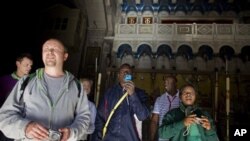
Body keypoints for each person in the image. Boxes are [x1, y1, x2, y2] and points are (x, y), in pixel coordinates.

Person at [0, 38, 90, 141]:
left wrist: (72, 132)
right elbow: (4, 116)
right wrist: (25, 128)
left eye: (55, 49)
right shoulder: (26, 82)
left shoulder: (76, 86)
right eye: (46, 49)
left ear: (65, 56)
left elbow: (84, 118)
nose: (50, 52)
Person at [92, 63, 150, 141]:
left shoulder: (140, 94)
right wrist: (97, 138)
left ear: (131, 76)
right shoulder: (109, 93)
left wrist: (133, 95)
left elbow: (143, 116)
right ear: (118, 75)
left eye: (128, 72)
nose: (125, 73)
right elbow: (100, 117)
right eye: (123, 72)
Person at [0, 53, 33, 141]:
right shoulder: (4, 81)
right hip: (7, 125)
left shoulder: (32, 82)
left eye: (30, 65)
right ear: (18, 64)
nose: (29, 67)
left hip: (25, 126)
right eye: (26, 65)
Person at [150, 75, 180, 141]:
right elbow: (154, 121)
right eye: (165, 82)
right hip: (163, 137)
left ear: (175, 84)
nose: (166, 84)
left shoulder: (182, 98)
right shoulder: (159, 99)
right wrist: (151, 138)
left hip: (178, 137)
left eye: (169, 82)